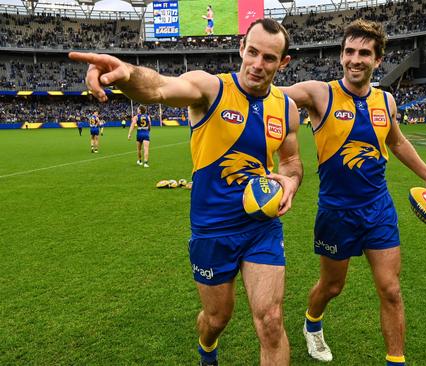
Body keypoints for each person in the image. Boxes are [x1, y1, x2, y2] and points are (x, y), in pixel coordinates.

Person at [69, 18, 302, 366]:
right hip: (212, 229)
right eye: (252, 52)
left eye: (269, 58)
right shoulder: (210, 88)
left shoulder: (286, 108)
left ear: (282, 63)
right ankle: (207, 347)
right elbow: (159, 88)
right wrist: (128, 73)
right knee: (217, 318)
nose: (257, 64)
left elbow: (292, 160)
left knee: (271, 321)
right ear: (241, 49)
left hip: (261, 227)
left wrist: (291, 181)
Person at [280, 19, 426, 366]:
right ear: (341, 56)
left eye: (364, 53)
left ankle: (395, 361)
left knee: (391, 289)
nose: (356, 59)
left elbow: (397, 142)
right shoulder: (318, 93)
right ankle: (312, 324)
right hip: (336, 212)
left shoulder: (386, 102)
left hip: (377, 209)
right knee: (332, 287)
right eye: (350, 51)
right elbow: (269, 97)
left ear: (377, 60)